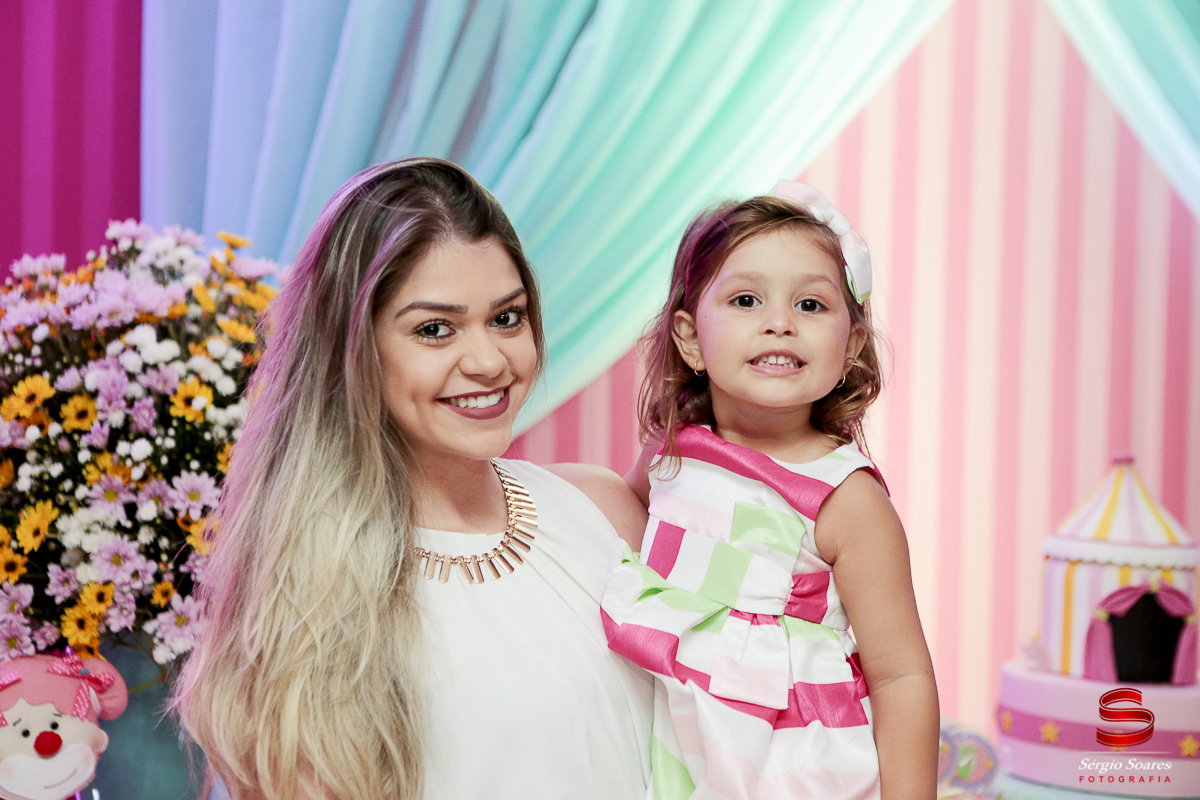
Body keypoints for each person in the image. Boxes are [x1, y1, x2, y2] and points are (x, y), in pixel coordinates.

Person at [171, 158, 652, 800]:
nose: (488, 361)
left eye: (506, 318)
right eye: (434, 329)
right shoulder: (311, 594)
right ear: (352, 349)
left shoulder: (602, 511)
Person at [601, 182, 938, 799]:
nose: (779, 323)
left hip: (797, 769)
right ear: (690, 338)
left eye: (810, 305)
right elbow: (621, 520)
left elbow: (900, 676)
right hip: (678, 748)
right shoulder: (673, 454)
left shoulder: (846, 500)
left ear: (850, 347)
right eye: (746, 300)